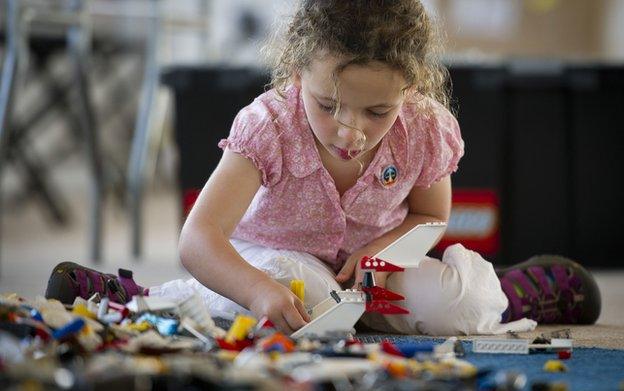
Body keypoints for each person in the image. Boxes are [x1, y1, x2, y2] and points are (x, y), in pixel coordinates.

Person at [46, 0, 600, 335]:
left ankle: (516, 292)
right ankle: (140, 297)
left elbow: (432, 216)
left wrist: (381, 249)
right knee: (293, 295)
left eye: (378, 111)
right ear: (296, 74)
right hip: (276, 265)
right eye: (327, 104)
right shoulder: (269, 125)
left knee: (468, 302)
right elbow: (199, 238)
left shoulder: (424, 128)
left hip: (371, 277)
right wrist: (260, 291)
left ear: (410, 89)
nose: (348, 131)